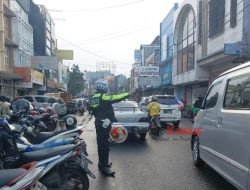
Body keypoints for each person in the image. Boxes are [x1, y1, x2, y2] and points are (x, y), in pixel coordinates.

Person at [90, 79, 130, 177]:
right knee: (105, 145)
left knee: (101, 144)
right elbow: (116, 97)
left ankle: (101, 163)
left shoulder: (94, 97)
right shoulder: (103, 96)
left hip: (99, 123)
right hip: (104, 124)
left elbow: (94, 111)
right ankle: (105, 167)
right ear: (104, 87)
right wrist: (128, 93)